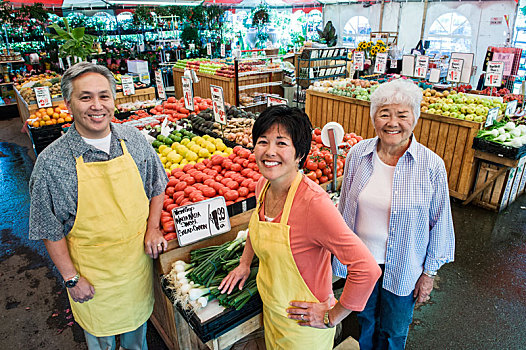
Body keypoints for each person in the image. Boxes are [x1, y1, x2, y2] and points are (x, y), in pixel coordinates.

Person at [29, 62, 168, 350]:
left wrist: (153, 227)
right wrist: (71, 279)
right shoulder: (52, 163)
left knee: (136, 340)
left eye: (104, 96)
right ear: (69, 104)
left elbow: (157, 185)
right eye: (85, 97)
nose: (97, 106)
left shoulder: (135, 140)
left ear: (114, 100)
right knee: (100, 342)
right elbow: (48, 227)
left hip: (134, 272)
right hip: (91, 279)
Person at [219, 105, 381, 349]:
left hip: (304, 329)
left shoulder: (314, 204)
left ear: (299, 154)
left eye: (281, 143)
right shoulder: (263, 185)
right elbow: (258, 226)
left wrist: (331, 316)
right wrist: (244, 263)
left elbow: (367, 269)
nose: (269, 151)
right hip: (273, 314)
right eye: (263, 141)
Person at [333, 79, 455, 350]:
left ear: (415, 118)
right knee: (362, 324)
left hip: (405, 267)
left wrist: (430, 273)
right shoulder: (358, 154)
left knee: (393, 332)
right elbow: (344, 210)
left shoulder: (431, 165)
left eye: (402, 115)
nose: (393, 122)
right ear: (374, 117)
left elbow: (440, 222)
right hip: (361, 264)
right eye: (384, 113)